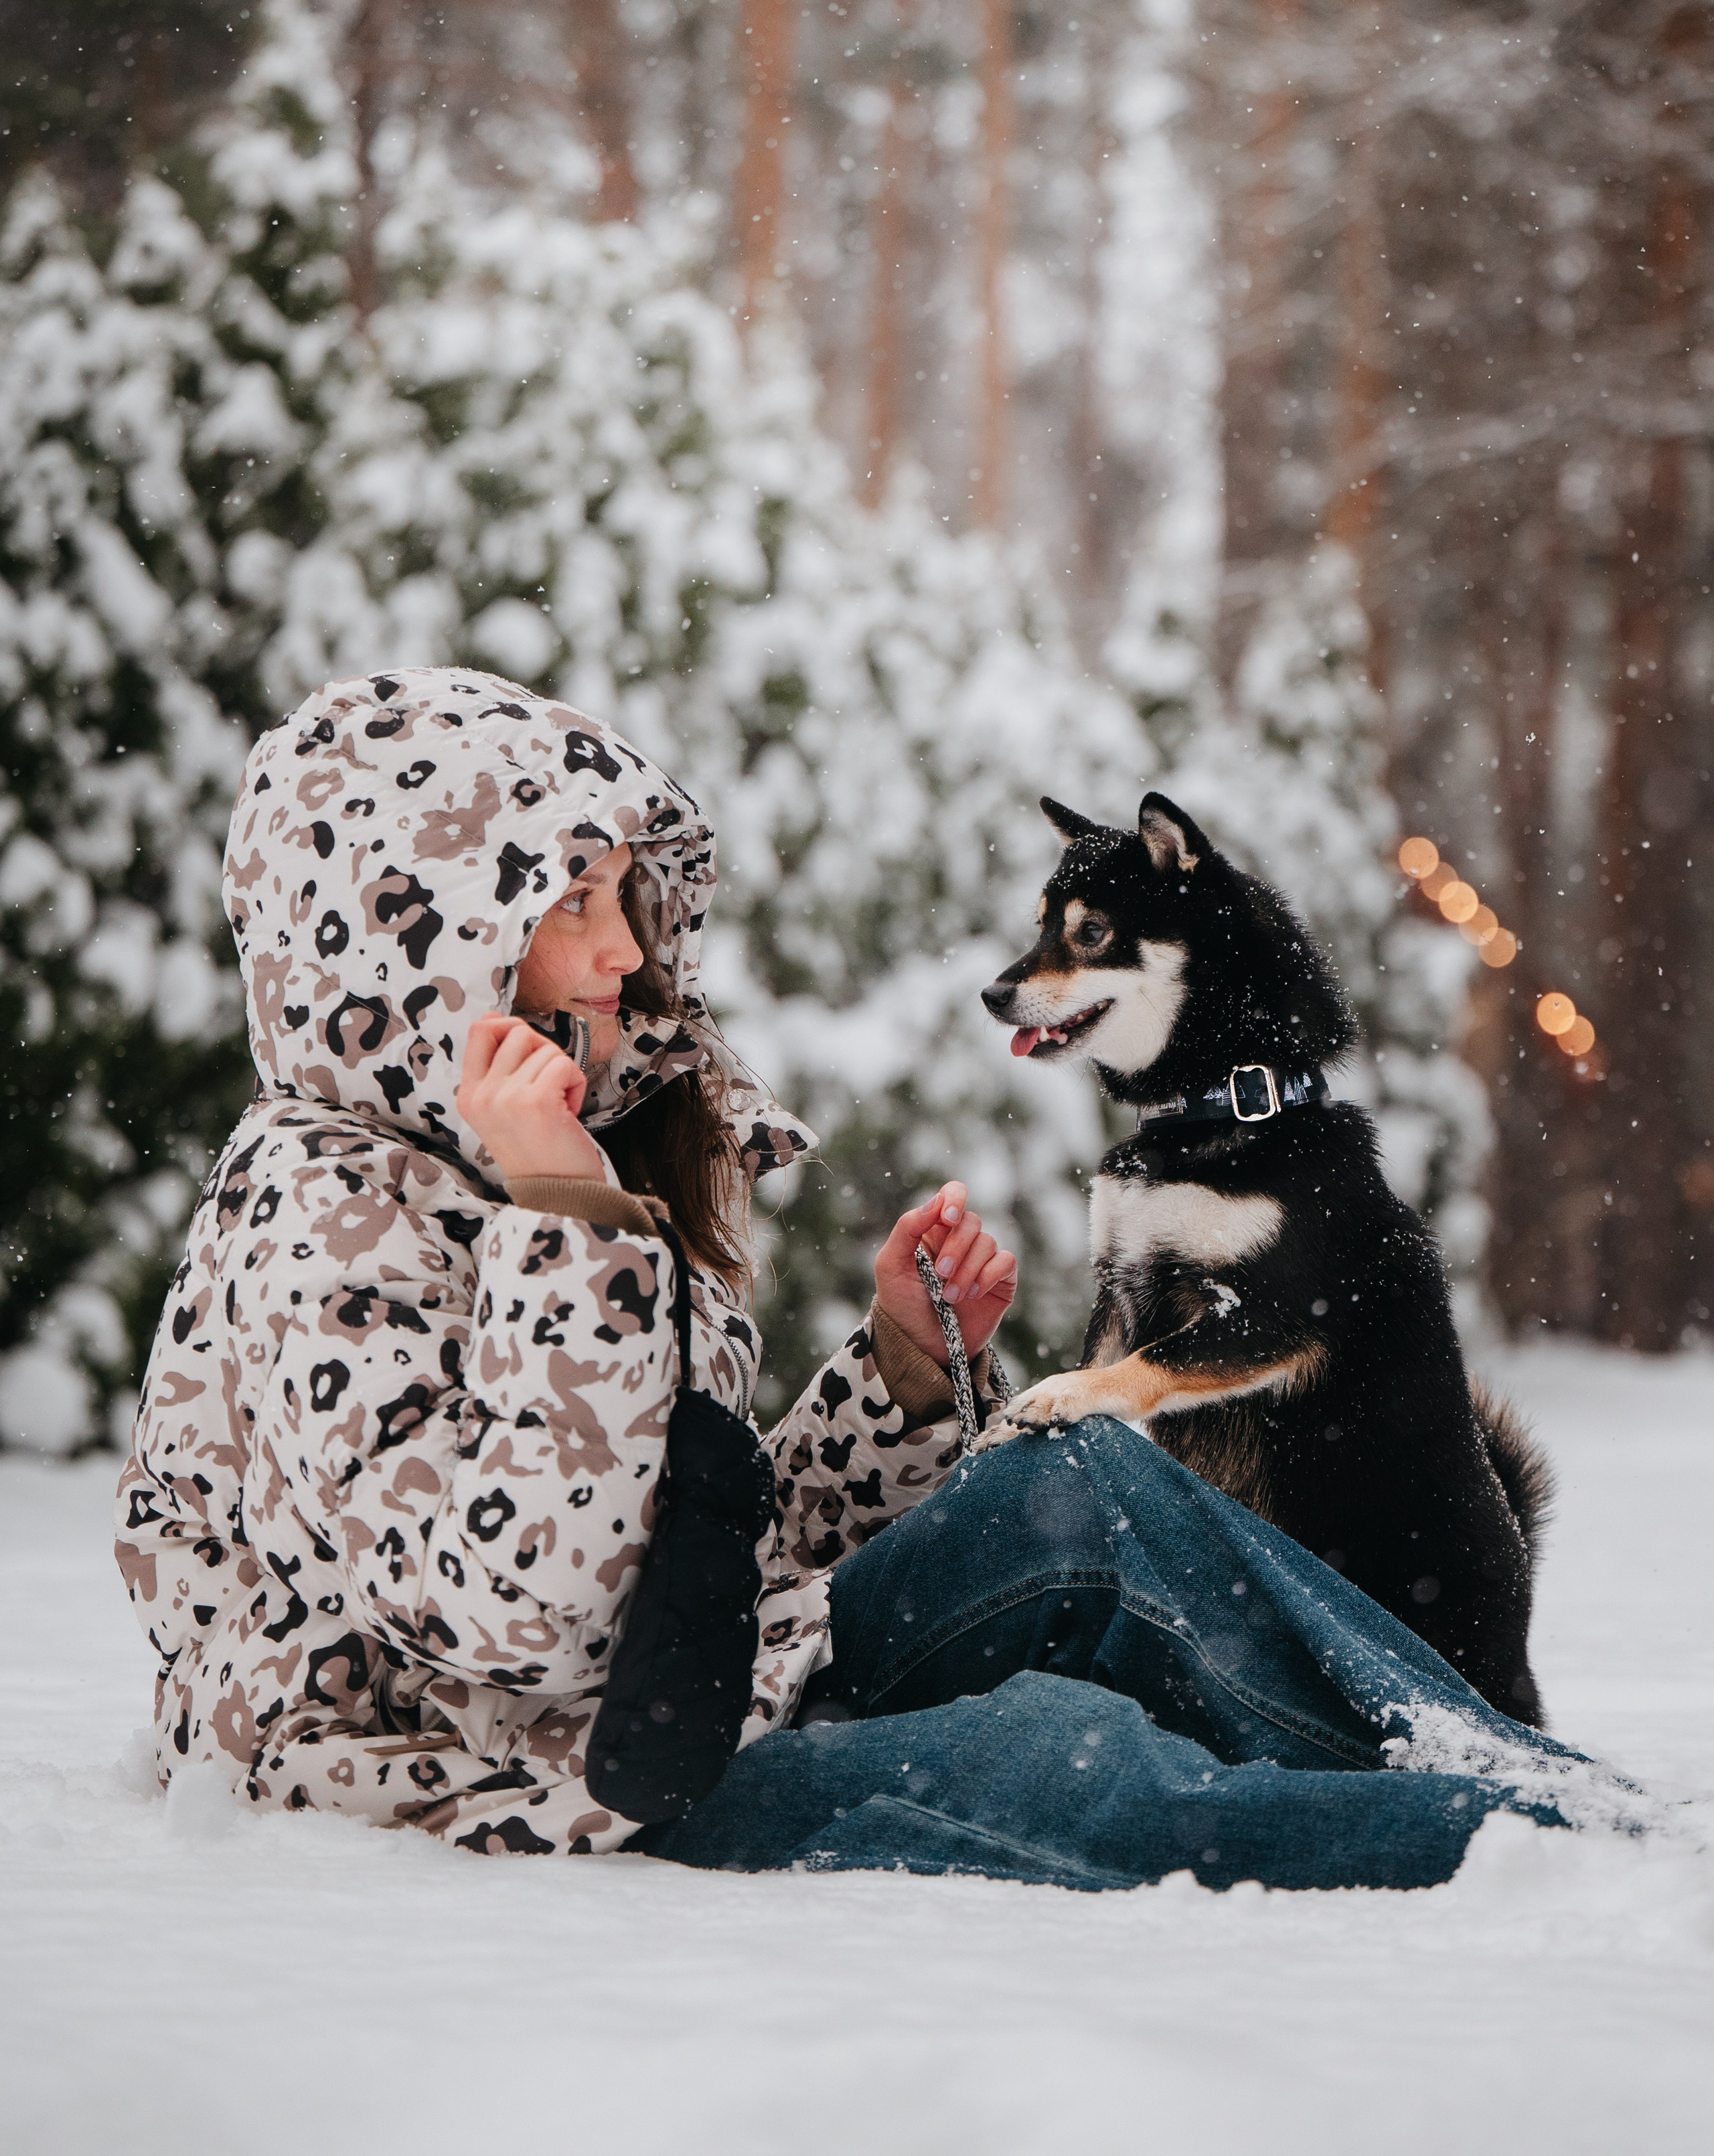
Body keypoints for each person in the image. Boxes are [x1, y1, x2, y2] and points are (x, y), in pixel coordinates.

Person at [116, 668, 1596, 1883]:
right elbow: (525, 1611)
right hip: (543, 1780)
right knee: (1063, 1763)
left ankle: (1492, 1762)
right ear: (405, 936)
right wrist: (563, 1217)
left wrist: (891, 1377)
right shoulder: (323, 1219)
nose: (627, 956)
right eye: (571, 906)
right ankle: (1542, 1849)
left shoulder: (546, 1143)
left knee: (1076, 1486)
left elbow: (683, 1544)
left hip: (700, 1683)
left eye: (632, 902)